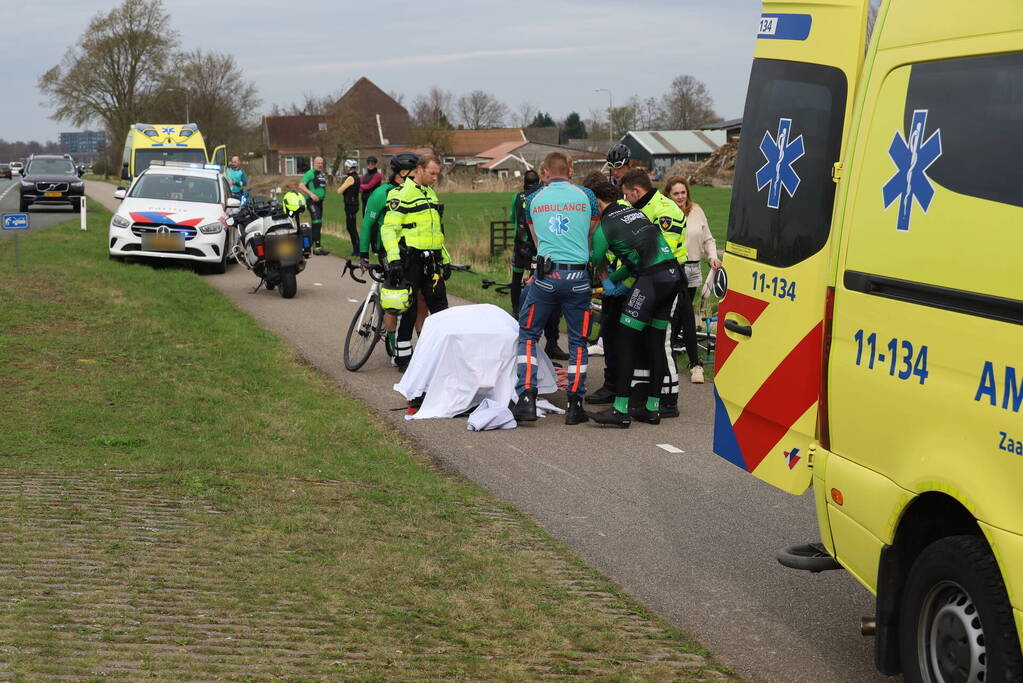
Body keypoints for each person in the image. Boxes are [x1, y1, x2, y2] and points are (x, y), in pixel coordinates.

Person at [582, 175, 681, 427]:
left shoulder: (605, 225)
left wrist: (605, 281)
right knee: (656, 343)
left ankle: (619, 409)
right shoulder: (632, 213)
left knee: (625, 339)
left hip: (652, 279)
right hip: (672, 276)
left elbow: (595, 259)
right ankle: (652, 408)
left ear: (596, 202)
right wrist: (615, 281)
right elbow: (632, 259)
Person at [511, 152, 599, 426]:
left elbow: (536, 240)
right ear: (570, 170)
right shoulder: (587, 196)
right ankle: (575, 404)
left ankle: (526, 397)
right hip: (579, 277)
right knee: (578, 342)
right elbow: (591, 231)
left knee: (527, 334)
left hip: (547, 276)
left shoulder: (533, 199)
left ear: (545, 171)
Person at [618, 167, 698, 414]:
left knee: (662, 340)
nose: (625, 200)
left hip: (668, 280)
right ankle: (642, 393)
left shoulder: (666, 210)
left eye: (627, 195)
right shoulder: (640, 207)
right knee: (644, 338)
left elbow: (664, 251)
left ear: (637, 191)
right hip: (645, 280)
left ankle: (669, 398)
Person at [380, 154, 451, 371]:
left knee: (441, 310)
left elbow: (436, 231)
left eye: (437, 174)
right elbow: (389, 229)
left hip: (431, 260)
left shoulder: (431, 194)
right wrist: (394, 260)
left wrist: (445, 259)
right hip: (410, 260)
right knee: (409, 312)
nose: (435, 178)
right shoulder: (400, 194)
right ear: (419, 169)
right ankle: (403, 358)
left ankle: (441, 356)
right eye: (432, 173)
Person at [360, 152, 419, 360]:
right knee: (394, 298)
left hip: (413, 251)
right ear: (402, 173)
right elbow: (368, 223)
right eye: (415, 171)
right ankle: (394, 345)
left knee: (418, 299)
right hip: (388, 250)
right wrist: (363, 254)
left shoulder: (418, 192)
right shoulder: (381, 193)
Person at [585, 143, 631, 402]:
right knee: (611, 333)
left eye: (620, 168)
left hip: (626, 275)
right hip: (613, 272)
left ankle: (619, 388)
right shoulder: (613, 193)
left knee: (620, 334)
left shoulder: (630, 197)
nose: (617, 173)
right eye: (613, 169)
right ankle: (613, 385)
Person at [664, 176, 720, 381]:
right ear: (668, 195)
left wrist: (713, 257)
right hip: (673, 270)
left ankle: (668, 351)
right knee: (684, 313)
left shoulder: (697, 211)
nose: (680, 197)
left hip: (694, 269)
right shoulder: (665, 213)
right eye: (676, 193)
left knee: (680, 314)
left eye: (683, 192)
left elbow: (708, 239)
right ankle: (695, 363)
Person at [508, 169, 567, 361]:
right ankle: (552, 341)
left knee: (517, 279)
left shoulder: (517, 197)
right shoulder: (543, 196)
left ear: (524, 183)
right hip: (541, 247)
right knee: (548, 287)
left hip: (521, 245)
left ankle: (516, 314)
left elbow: (512, 219)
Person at [299, 156, 328, 255]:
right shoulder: (310, 173)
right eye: (318, 163)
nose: (320, 165)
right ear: (314, 163)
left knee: (318, 224)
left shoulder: (321, 174)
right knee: (316, 222)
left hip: (320, 202)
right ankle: (317, 248)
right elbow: (301, 185)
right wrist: (311, 194)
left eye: (322, 163)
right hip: (311, 202)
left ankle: (309, 245)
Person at [336, 159, 361, 256]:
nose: (345, 169)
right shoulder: (356, 177)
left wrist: (342, 181)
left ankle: (357, 250)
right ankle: (357, 249)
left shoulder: (350, 178)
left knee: (351, 228)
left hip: (351, 205)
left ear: (348, 167)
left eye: (346, 167)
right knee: (351, 227)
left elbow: (339, 191)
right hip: (354, 204)